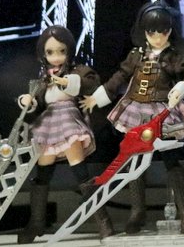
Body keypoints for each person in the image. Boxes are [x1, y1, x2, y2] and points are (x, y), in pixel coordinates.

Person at [84, 0, 184, 234]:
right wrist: (98, 97)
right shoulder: (136, 55)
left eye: (162, 32)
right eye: (151, 32)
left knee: (171, 160)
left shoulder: (173, 56)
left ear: (170, 31)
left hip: (163, 112)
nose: (157, 37)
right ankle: (137, 211)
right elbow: (120, 76)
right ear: (143, 32)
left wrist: (181, 87)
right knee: (134, 160)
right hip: (136, 111)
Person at [17, 26, 113, 243]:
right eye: (50, 52)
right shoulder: (43, 78)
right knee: (42, 172)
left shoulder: (77, 71)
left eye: (61, 51)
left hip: (68, 121)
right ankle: (36, 223)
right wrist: (27, 100)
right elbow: (38, 100)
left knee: (81, 172)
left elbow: (91, 82)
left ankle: (103, 221)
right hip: (48, 124)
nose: (56, 57)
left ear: (69, 50)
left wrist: (68, 82)